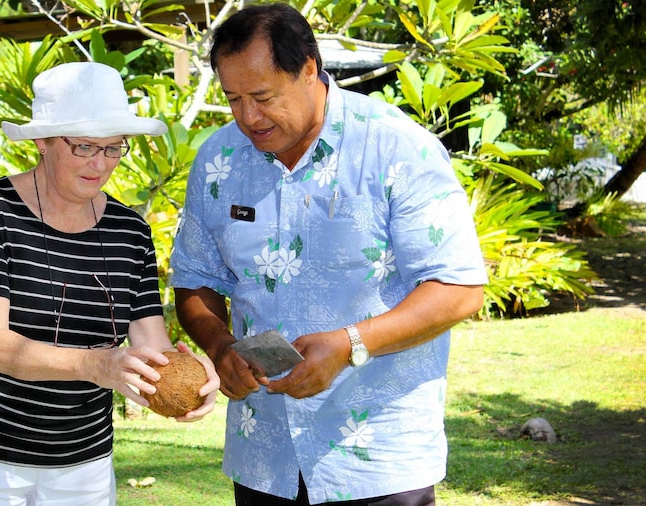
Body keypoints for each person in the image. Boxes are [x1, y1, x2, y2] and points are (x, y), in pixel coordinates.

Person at [170, 4, 488, 505]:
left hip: (376, 455)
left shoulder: (397, 147)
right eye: (233, 98)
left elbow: (460, 288)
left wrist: (349, 343)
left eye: (262, 96)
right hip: (264, 454)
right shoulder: (219, 158)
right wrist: (219, 346)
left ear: (309, 69)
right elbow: (194, 276)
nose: (247, 116)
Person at [0, 61, 220, 506]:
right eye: (84, 146)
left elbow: (151, 346)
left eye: (113, 148)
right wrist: (96, 365)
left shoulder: (129, 231)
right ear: (44, 141)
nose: (99, 164)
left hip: (83, 461)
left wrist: (192, 378)